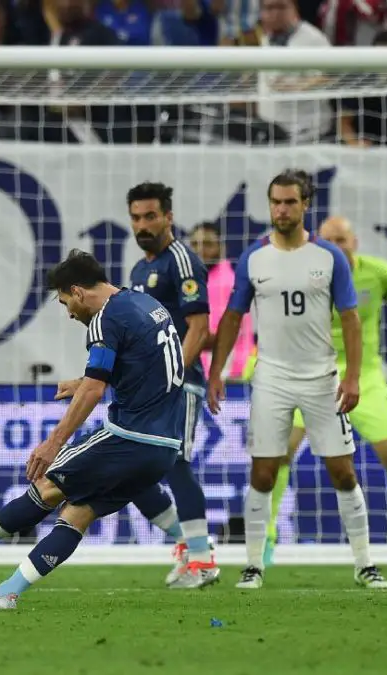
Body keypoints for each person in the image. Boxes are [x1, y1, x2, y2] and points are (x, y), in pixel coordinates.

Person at [0, 250, 185, 610]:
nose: (70, 313)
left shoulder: (105, 319)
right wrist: (82, 381)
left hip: (130, 436)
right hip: (166, 445)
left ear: (77, 291)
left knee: (48, 484)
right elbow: (143, 369)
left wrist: (54, 442)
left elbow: (95, 391)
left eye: (66, 303)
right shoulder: (146, 304)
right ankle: (7, 593)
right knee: (77, 513)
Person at [208, 170, 387, 590]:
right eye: (276, 202)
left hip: (322, 378)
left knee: (343, 472)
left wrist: (353, 378)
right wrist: (217, 371)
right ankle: (253, 565)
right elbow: (233, 317)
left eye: (290, 202)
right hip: (271, 378)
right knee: (263, 473)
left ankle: (365, 564)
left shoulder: (329, 257)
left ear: (305, 205)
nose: (282, 209)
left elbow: (350, 320)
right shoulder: (254, 258)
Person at [264, 216, 387, 568]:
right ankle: (267, 537)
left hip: (363, 375)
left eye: (342, 240)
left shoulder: (380, 273)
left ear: (355, 242)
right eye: (329, 241)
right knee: (278, 452)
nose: (336, 247)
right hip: (310, 374)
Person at [102, 182, 217, 588]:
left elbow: (199, 328)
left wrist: (172, 376)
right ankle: (190, 544)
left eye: (150, 216)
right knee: (130, 472)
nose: (142, 225)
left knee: (176, 463)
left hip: (179, 384)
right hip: (147, 388)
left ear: (168, 216)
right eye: (136, 218)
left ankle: (202, 562)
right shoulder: (139, 270)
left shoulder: (181, 261)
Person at [189, 221, 254, 379]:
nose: (200, 250)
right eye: (195, 244)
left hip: (229, 371)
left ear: (221, 247)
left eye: (207, 244)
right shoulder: (195, 281)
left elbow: (218, 334)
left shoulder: (227, 282)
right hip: (205, 370)